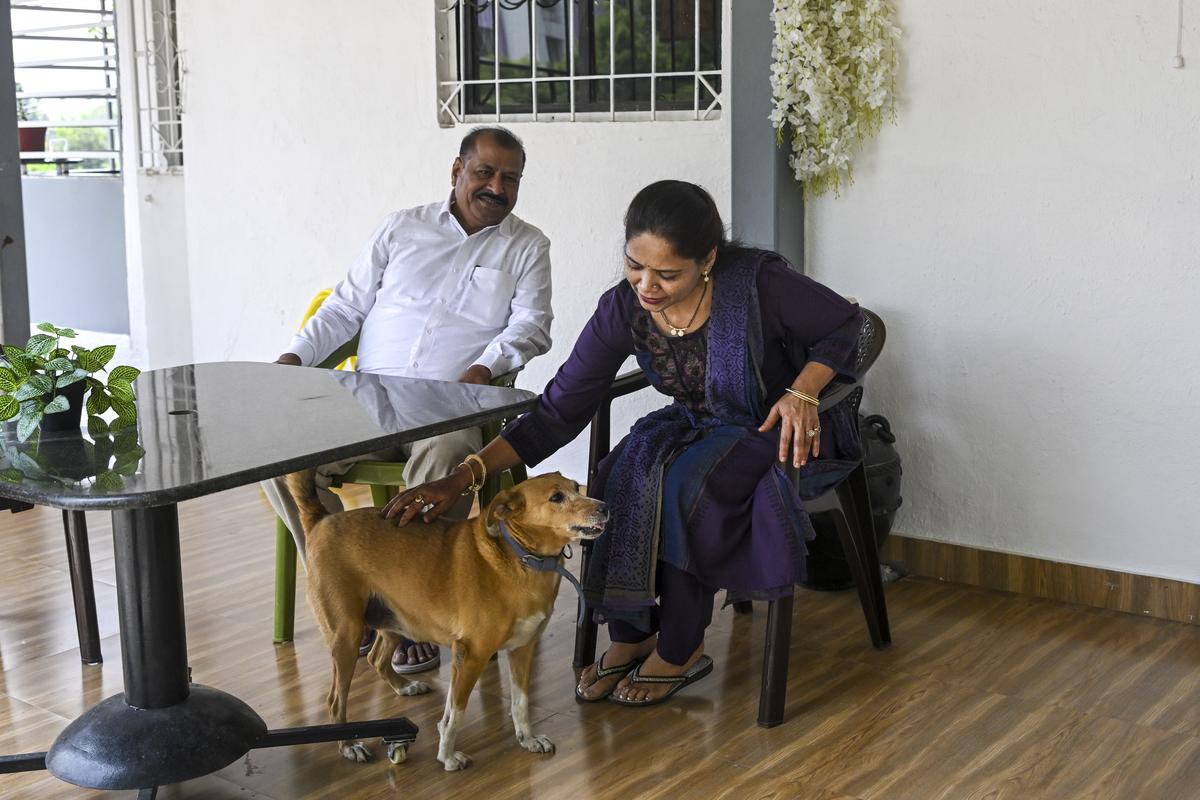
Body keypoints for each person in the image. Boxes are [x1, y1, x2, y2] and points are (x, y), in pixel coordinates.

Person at [380, 180, 863, 705]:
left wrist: (803, 391)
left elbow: (847, 325)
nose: (646, 285)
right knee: (619, 472)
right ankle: (633, 635)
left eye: (667, 274)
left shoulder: (759, 284)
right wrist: (464, 476)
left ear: (708, 260)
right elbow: (559, 409)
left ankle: (681, 647)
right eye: (635, 265)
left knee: (683, 486)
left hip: (776, 427)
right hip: (699, 425)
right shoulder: (623, 308)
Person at [264, 127, 553, 675]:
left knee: (446, 459)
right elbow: (345, 309)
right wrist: (294, 358)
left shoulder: (528, 246)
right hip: (368, 399)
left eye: (510, 178)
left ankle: (408, 611)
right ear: (457, 170)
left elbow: (531, 326)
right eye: (484, 172)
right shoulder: (401, 227)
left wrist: (484, 368)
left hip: (450, 407)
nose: (497, 187)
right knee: (281, 457)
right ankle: (347, 589)